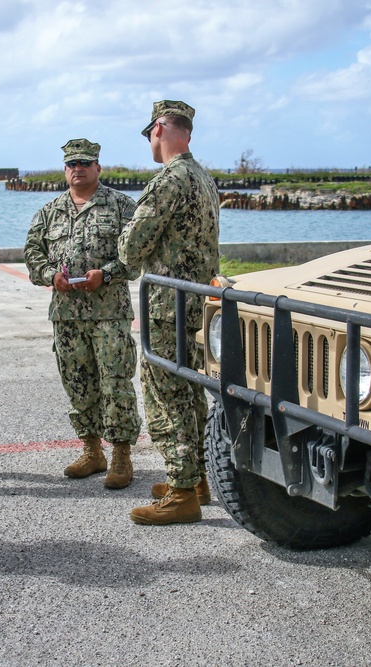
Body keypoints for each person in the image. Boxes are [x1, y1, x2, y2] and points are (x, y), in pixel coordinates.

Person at [119, 100, 220, 525]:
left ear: (159, 128)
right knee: (191, 390)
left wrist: (126, 238)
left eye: (149, 134)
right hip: (198, 304)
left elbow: (130, 249)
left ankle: (181, 493)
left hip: (166, 306)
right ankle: (196, 479)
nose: (149, 142)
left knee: (166, 394)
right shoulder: (204, 178)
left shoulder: (169, 181)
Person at [23, 139, 142, 488]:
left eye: (85, 163)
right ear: (65, 169)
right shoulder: (50, 211)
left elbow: (135, 255)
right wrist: (50, 276)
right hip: (66, 315)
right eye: (72, 163)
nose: (78, 168)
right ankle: (92, 450)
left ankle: (121, 454)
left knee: (116, 382)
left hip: (109, 313)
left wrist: (105, 274)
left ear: (98, 168)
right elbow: (33, 253)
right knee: (77, 383)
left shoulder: (121, 206)